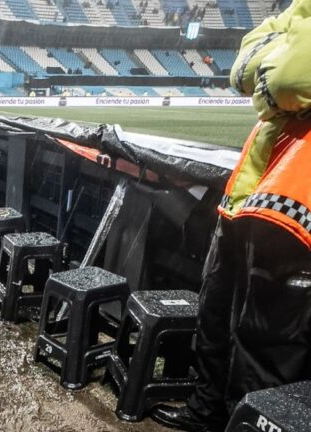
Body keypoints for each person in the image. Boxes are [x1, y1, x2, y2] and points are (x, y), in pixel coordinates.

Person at [152, 1, 311, 430]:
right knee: (216, 315)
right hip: (247, 199)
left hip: (295, 214)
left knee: (264, 346)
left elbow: (287, 77)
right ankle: (206, 414)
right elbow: (242, 70)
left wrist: (272, 55)